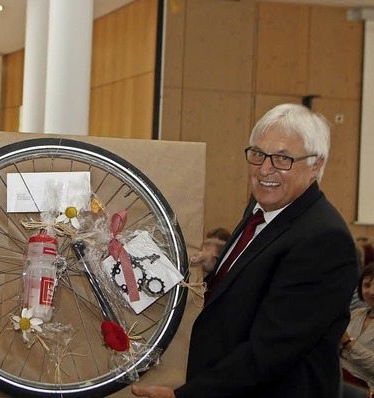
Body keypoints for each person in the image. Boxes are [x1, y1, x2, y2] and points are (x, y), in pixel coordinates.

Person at [131, 103, 358, 398]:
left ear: (315, 165)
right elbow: (261, 274)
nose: (265, 169)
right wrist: (221, 265)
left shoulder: (324, 240)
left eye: (282, 159)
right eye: (258, 154)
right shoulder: (263, 207)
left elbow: (270, 353)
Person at [341, 263, 374, 397]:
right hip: (338, 377)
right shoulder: (356, 313)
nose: (372, 292)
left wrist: (348, 343)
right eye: (366, 285)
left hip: (364, 389)